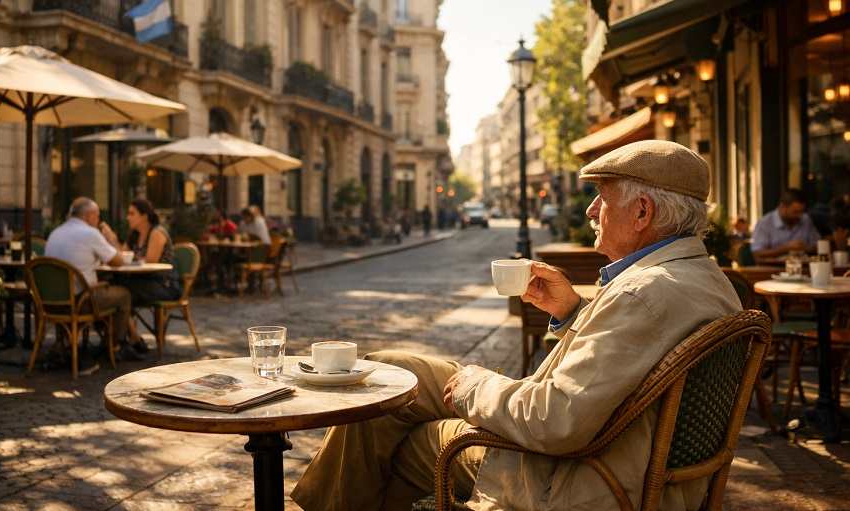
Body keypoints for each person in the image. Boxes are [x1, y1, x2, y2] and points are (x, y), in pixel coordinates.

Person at [291, 140, 741, 511]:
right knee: (388, 371)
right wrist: (573, 312)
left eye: (602, 197)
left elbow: (555, 419)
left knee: (399, 433)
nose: (590, 211)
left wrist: (475, 386)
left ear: (642, 212)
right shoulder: (700, 277)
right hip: (606, 450)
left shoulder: (642, 294)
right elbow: (629, 365)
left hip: (570, 475)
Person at [45, 197, 142, 361]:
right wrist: (111, 239)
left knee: (103, 290)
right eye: (97, 216)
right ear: (89, 215)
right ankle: (115, 346)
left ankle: (65, 344)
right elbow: (117, 261)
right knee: (123, 295)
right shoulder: (90, 233)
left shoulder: (56, 232)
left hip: (49, 303)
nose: (98, 221)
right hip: (80, 302)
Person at [751, 189, 820, 259]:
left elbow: (817, 245)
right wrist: (786, 248)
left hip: (802, 266)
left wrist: (805, 248)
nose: (799, 215)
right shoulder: (765, 223)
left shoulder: (805, 219)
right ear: (782, 207)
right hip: (772, 268)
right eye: (795, 212)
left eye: (801, 211)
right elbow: (757, 254)